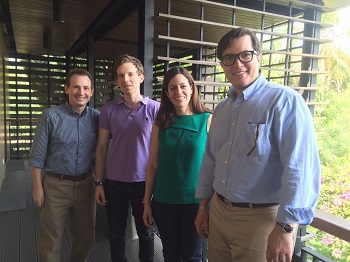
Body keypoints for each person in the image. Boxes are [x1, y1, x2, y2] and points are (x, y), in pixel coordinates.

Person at [194, 28, 321, 262]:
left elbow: (299, 167)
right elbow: (210, 159)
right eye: (229, 58)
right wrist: (203, 207)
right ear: (222, 64)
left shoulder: (284, 101)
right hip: (219, 212)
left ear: (258, 57)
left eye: (245, 55)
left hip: (261, 220)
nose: (237, 64)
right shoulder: (222, 109)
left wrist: (285, 228)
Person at [29, 68, 99, 262]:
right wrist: (37, 188)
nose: (81, 92)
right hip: (55, 186)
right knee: (50, 241)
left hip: (86, 186)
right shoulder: (50, 116)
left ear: (91, 92)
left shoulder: (97, 118)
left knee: (86, 237)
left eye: (86, 88)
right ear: (66, 89)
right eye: (76, 87)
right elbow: (36, 158)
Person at [143, 66, 212, 262]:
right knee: (170, 255)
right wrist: (146, 202)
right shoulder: (160, 123)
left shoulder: (207, 120)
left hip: (196, 203)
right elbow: (153, 164)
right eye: (172, 88)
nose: (178, 92)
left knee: (192, 257)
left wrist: (205, 206)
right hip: (164, 201)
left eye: (183, 86)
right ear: (167, 93)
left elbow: (213, 166)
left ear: (191, 88)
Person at [95, 54, 159, 262]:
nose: (125, 79)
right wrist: (99, 183)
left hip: (144, 183)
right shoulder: (109, 109)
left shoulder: (155, 109)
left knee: (146, 234)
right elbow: (102, 148)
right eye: (121, 76)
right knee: (116, 234)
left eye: (130, 74)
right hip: (115, 183)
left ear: (141, 77)